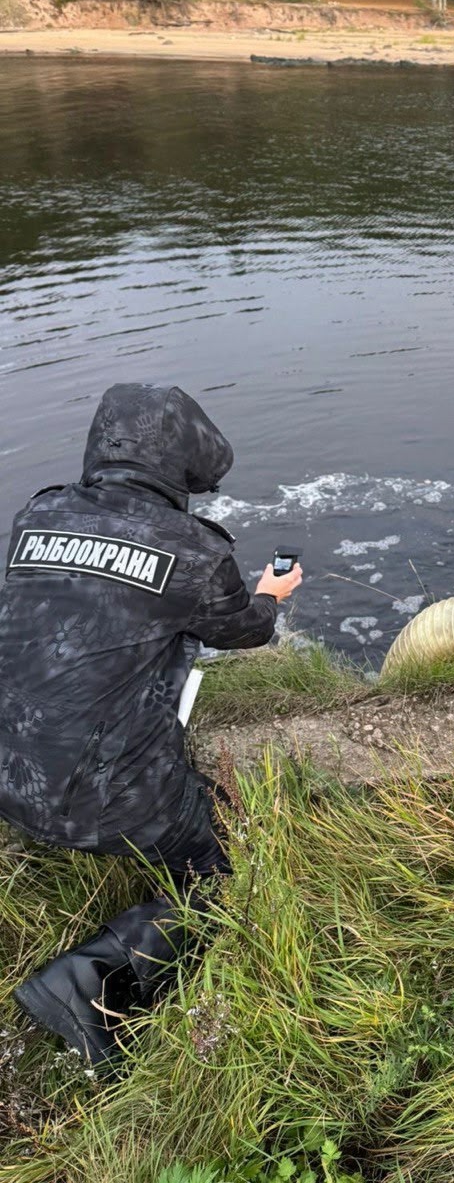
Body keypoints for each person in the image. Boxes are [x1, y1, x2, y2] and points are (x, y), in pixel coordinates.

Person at [0, 383, 302, 1064]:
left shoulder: (36, 514)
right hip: (108, 804)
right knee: (229, 869)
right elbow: (246, 631)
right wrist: (271, 593)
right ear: (185, 461)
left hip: (9, 782)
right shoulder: (190, 549)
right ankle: (86, 982)